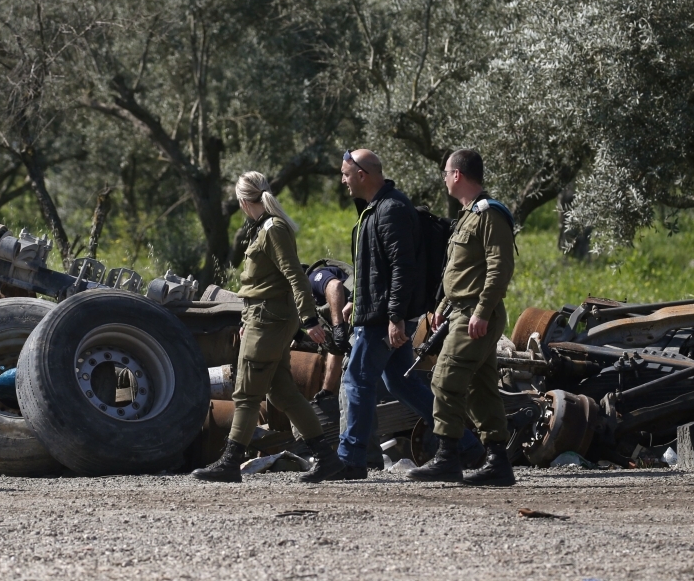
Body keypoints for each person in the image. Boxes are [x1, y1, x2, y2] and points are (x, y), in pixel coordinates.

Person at [336, 149, 483, 479]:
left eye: (346, 174)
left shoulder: (391, 210)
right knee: (402, 383)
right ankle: (468, 446)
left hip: (382, 318)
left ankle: (351, 459)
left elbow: (404, 268)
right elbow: (376, 267)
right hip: (376, 310)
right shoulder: (375, 209)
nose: (342, 180)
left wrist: (395, 317)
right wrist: (354, 300)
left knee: (357, 379)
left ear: (363, 174)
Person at [191, 172, 345, 483]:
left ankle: (230, 462)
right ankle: (328, 459)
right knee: (284, 394)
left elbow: (295, 277)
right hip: (262, 319)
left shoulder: (273, 229)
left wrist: (310, 320)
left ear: (242, 201)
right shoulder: (265, 228)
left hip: (268, 322)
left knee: (247, 393)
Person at [409, 149, 517, 486]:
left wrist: (483, 311)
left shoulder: (490, 215)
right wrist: (441, 305)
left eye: (445, 172)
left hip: (476, 314)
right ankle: (498, 462)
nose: (443, 178)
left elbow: (500, 268)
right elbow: (459, 270)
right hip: (460, 311)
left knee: (444, 379)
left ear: (457, 174)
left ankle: (447, 458)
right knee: (481, 387)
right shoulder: (467, 215)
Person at [307, 261, 353, 397]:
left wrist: (338, 327)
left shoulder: (313, 277)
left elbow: (334, 286)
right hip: (352, 326)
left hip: (367, 319)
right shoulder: (312, 304)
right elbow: (335, 349)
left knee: (352, 378)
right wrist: (327, 389)